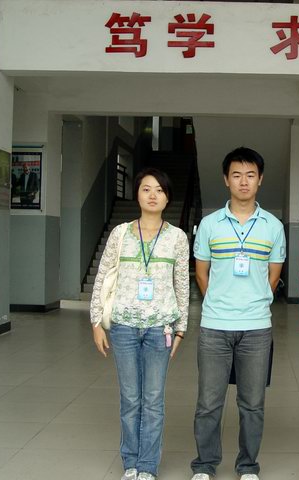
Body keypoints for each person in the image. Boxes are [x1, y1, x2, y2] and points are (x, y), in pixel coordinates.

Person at [190, 147, 286, 480]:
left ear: (260, 180)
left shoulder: (273, 226)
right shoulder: (209, 225)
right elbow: (201, 273)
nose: (243, 182)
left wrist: (254, 303)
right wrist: (219, 302)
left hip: (257, 328)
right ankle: (205, 465)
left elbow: (273, 275)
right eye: (236, 175)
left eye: (250, 175)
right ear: (226, 180)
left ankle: (247, 466)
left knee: (252, 404)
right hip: (214, 326)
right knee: (209, 403)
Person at [90, 168, 189, 480]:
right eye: (146, 189)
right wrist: (96, 322)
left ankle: (147, 466)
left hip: (161, 328)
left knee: (154, 400)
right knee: (131, 398)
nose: (152, 195)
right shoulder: (120, 234)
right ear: (137, 194)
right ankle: (130, 463)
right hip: (124, 326)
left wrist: (182, 327)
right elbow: (102, 277)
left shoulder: (177, 237)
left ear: (167, 197)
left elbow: (182, 284)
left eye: (159, 190)